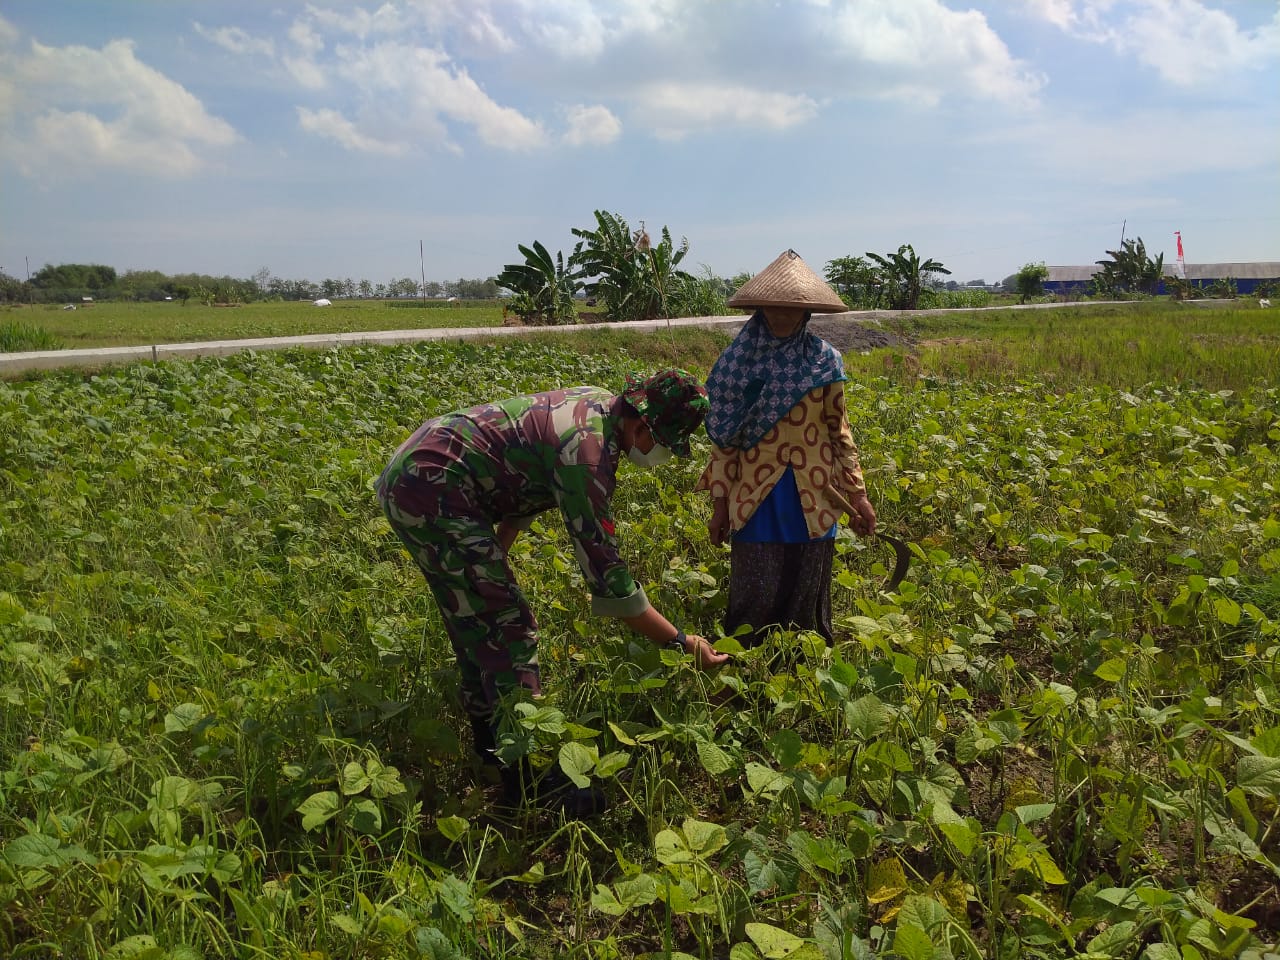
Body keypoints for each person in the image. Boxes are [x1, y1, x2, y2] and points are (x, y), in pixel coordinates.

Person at [377, 369, 728, 816]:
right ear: (642, 427)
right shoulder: (588, 454)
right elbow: (607, 576)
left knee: (477, 613)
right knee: (508, 626)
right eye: (660, 445)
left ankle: (490, 746)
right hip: (431, 487)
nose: (656, 455)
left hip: (425, 469)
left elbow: (522, 478)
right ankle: (527, 776)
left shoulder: (598, 407)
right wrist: (681, 643)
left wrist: (492, 560)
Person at [697, 250, 878, 647]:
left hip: (814, 493)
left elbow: (839, 433)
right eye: (773, 308)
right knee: (756, 587)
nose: (782, 317)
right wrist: (719, 506)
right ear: (760, 308)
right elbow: (726, 444)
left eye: (791, 310)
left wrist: (858, 495)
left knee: (805, 584)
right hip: (756, 494)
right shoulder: (736, 364)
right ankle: (745, 660)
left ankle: (803, 660)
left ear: (806, 314)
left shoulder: (826, 362)